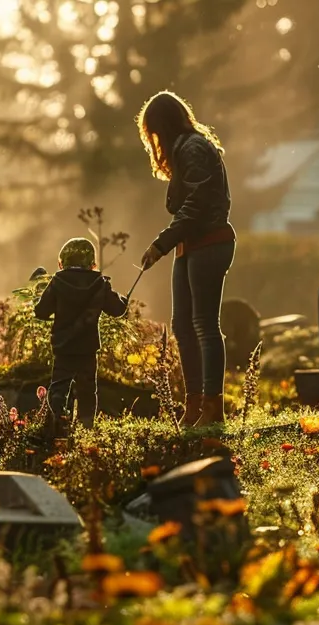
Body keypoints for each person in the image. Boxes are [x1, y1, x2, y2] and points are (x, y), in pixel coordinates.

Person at [136, 91, 235, 428]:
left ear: (162, 125)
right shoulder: (186, 149)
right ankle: (193, 404)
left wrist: (160, 244)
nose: (154, 140)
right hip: (191, 246)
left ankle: (212, 405)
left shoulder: (192, 147)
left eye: (153, 131)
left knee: (205, 326)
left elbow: (195, 205)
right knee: (182, 325)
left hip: (209, 243)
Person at [35, 238, 129, 429]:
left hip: (63, 347)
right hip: (87, 348)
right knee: (87, 390)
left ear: (62, 262)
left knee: (59, 387)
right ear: (92, 263)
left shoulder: (57, 282)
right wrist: (124, 299)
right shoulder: (100, 283)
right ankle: (86, 427)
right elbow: (118, 309)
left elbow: (41, 312)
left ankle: (55, 424)